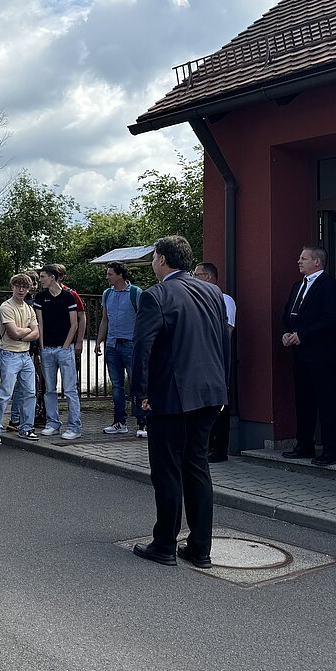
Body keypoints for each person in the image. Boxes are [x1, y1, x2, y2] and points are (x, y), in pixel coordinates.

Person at [131, 235, 229, 569]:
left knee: (167, 468)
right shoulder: (213, 292)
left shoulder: (155, 296)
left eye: (154, 256)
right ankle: (200, 548)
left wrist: (140, 395)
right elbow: (222, 341)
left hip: (171, 395)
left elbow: (142, 349)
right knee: (197, 466)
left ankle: (164, 544)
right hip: (210, 392)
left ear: (161, 259)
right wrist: (223, 388)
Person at [281, 246, 336, 465]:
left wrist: (303, 335)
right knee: (303, 400)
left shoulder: (331, 286)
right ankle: (304, 444)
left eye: (303, 258)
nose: (298, 261)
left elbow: (331, 318)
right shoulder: (298, 285)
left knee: (326, 401)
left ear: (317, 262)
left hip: (321, 353)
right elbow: (288, 313)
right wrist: (286, 333)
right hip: (300, 354)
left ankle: (331, 450)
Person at [193, 262, 236, 461]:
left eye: (197, 274)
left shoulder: (224, 299)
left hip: (217, 360)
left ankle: (220, 449)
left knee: (220, 406)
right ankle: (205, 446)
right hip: (201, 361)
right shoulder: (197, 299)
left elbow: (226, 331)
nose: (193, 278)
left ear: (209, 277)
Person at [0, 274, 39, 443]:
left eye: (24, 287)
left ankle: (26, 428)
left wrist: (21, 333)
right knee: (5, 393)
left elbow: (36, 333)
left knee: (30, 393)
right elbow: (13, 333)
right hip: (9, 354)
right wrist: (26, 331)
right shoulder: (6, 307)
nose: (21, 289)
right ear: (12, 287)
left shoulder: (28, 308)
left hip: (25, 355)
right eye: (18, 286)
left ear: (29, 289)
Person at [34, 264, 82, 439]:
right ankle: (52, 422)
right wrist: (41, 346)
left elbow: (74, 323)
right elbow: (40, 323)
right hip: (47, 348)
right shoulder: (40, 297)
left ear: (52, 277)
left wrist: (66, 345)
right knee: (50, 389)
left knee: (70, 389)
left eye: (43, 276)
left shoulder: (68, 296)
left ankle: (74, 426)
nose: (40, 280)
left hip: (64, 349)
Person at [96, 262, 143, 436]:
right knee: (117, 386)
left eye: (110, 274)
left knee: (136, 383)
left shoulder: (135, 293)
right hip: (112, 345)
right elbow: (105, 320)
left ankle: (142, 423)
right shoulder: (107, 293)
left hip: (130, 344)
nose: (107, 277)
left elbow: (142, 319)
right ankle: (119, 422)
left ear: (120, 275)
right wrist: (100, 341)